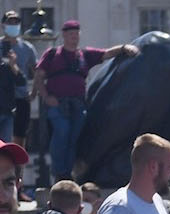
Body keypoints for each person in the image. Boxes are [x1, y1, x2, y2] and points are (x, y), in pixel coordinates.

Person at [34, 20, 136, 181]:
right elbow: (39, 76)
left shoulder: (84, 55)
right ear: (64, 36)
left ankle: (68, 173)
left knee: (74, 138)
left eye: (76, 34)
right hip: (58, 103)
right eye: (70, 34)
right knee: (62, 133)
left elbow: (106, 53)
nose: (74, 37)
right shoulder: (52, 54)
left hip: (78, 103)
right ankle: (59, 172)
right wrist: (46, 97)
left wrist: (124, 48)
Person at [0, 13, 37, 148]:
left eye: (16, 23)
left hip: (21, 97)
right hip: (1, 98)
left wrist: (34, 92)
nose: (13, 26)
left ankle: (18, 168)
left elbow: (36, 70)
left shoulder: (27, 48)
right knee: (2, 136)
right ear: (3, 25)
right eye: (10, 22)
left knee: (20, 135)